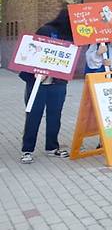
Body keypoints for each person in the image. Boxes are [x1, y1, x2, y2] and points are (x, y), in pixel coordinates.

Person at [19, 9, 73, 164]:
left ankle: (52, 147)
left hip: (58, 83)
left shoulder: (72, 37)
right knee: (33, 116)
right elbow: (32, 51)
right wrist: (35, 70)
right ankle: (27, 150)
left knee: (55, 115)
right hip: (38, 81)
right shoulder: (46, 30)